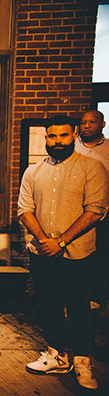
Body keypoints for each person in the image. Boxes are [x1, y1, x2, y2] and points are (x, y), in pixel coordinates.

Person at [18, 114, 108, 390]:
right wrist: (45, 240)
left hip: (79, 252)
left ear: (74, 136)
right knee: (49, 304)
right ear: (46, 138)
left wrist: (62, 241)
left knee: (79, 306)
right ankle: (56, 354)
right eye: (53, 136)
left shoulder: (92, 167)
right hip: (43, 252)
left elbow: (95, 210)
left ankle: (82, 362)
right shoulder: (33, 171)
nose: (58, 141)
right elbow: (24, 210)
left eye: (64, 135)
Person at [75, 110, 109, 317]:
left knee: (101, 257)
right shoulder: (72, 147)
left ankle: (96, 300)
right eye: (83, 122)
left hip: (103, 214)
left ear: (102, 124)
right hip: (74, 213)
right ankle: (75, 299)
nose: (86, 126)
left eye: (92, 122)